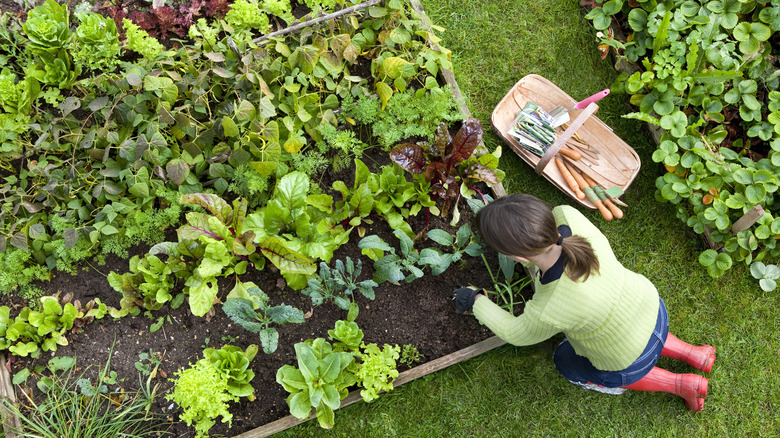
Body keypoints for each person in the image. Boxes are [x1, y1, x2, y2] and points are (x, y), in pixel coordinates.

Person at [454, 194, 715, 411]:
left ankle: (681, 384)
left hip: (626, 358)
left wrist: (475, 300)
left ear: (519, 257)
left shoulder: (551, 306)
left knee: (565, 360)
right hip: (651, 308)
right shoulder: (568, 216)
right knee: (635, 329)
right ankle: (694, 354)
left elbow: (516, 332)